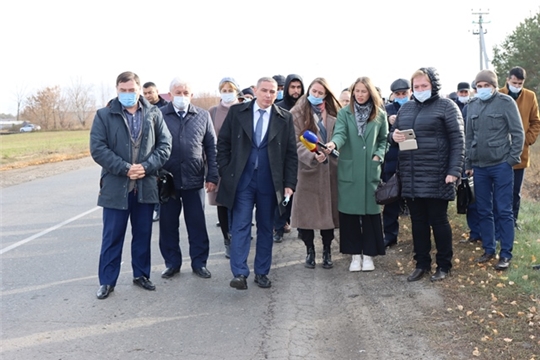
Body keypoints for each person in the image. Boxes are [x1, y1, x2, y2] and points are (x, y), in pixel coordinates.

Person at [90, 71, 172, 299]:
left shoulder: (154, 114)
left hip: (145, 185)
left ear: (138, 89)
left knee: (143, 234)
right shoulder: (104, 115)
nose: (128, 94)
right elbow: (98, 148)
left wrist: (146, 166)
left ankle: (141, 274)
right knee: (112, 236)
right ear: (117, 90)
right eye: (123, 90)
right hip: (116, 188)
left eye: (132, 90)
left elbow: (165, 145)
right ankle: (107, 281)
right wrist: (125, 167)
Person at [216, 76, 298, 290]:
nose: (268, 95)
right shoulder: (237, 112)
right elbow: (223, 143)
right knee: (240, 225)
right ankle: (240, 273)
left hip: (270, 181)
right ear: (255, 90)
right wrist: (226, 171)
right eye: (264, 91)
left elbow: (291, 153)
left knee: (265, 227)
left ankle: (262, 272)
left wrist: (289, 183)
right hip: (242, 180)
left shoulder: (284, 118)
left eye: (272, 92)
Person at [390, 67, 464, 282]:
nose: (420, 89)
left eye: (424, 86)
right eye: (417, 86)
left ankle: (444, 265)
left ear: (434, 86)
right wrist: (392, 136)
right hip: (412, 175)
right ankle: (421, 264)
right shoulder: (407, 109)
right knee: (418, 222)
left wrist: (454, 170)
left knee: (439, 221)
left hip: (438, 174)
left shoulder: (447, 106)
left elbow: (458, 140)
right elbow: (393, 138)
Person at [325, 76, 388, 272]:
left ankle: (369, 255)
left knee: (371, 214)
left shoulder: (380, 115)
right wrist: (334, 143)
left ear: (371, 93)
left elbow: (384, 139)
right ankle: (354, 255)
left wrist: (378, 155)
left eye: (364, 91)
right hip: (349, 169)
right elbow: (340, 133)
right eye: (357, 91)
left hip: (370, 169)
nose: (360, 95)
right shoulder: (345, 113)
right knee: (350, 214)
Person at [158, 78, 218, 280]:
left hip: (194, 180)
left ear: (191, 95)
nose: (181, 96)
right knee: (167, 225)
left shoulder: (202, 116)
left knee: (197, 224)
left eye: (185, 92)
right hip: (168, 182)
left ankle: (199, 263)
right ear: (170, 94)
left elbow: (211, 147)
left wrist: (212, 175)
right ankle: (172, 263)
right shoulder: (159, 115)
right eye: (178, 92)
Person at [465, 69, 524, 271]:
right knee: (483, 209)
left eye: (486, 86)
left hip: (501, 165)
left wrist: (511, 160)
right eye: (479, 86)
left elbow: (518, 133)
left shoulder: (506, 103)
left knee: (504, 210)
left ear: (494, 86)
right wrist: (468, 164)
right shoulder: (472, 105)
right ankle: (488, 248)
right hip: (479, 167)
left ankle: (505, 253)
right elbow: (468, 137)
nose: (482, 89)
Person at [290, 77, 340, 269]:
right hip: (307, 170)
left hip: (330, 170)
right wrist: (311, 155)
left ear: (326, 94)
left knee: (328, 214)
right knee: (306, 216)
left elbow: (341, 135)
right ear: (308, 91)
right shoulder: (296, 114)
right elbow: (294, 142)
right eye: (314, 91)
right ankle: (309, 250)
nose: (316, 96)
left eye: (320, 93)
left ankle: (327, 250)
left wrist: (333, 147)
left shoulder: (335, 113)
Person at [498, 66, 540, 230]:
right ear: (508, 80)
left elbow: (536, 122)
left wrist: (526, 140)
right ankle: (499, 222)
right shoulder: (498, 94)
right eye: (514, 82)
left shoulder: (530, 96)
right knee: (499, 191)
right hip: (498, 153)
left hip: (520, 154)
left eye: (520, 83)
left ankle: (512, 222)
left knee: (515, 192)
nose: (517, 85)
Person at [208, 77, 242, 258]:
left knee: (240, 201)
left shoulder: (244, 110)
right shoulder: (213, 112)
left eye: (231, 89)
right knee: (222, 202)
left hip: (240, 164)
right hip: (220, 163)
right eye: (224, 89)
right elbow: (208, 140)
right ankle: (227, 239)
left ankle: (239, 236)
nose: (227, 93)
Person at [273, 74, 305, 243]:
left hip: (303, 155)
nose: (295, 91)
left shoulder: (305, 107)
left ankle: (301, 226)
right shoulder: (279, 107)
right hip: (283, 157)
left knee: (300, 195)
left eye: (298, 87)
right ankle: (278, 227)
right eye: (292, 87)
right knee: (282, 195)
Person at [382, 78, 411, 247]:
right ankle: (390, 235)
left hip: (412, 161)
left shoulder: (416, 107)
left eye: (404, 93)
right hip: (392, 161)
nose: (401, 96)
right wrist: (388, 121)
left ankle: (418, 237)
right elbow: (380, 136)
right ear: (393, 95)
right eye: (398, 94)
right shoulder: (386, 110)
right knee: (391, 200)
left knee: (415, 202)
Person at [142, 81, 169, 222]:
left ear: (157, 91)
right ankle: (154, 209)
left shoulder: (165, 108)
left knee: (162, 183)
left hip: (162, 150)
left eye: (150, 92)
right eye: (145, 93)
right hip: (148, 152)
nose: (148, 96)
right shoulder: (141, 109)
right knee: (152, 183)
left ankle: (160, 209)